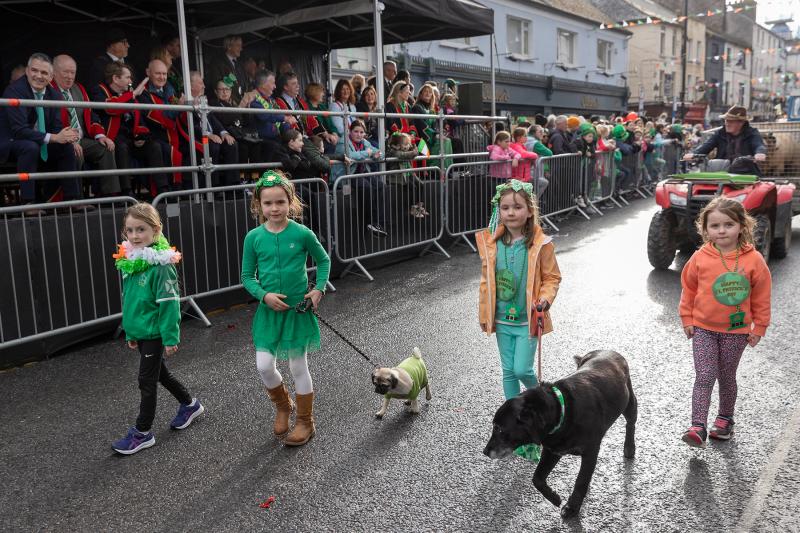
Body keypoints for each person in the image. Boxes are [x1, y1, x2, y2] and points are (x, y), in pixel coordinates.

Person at [240, 170, 331, 447]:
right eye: (268, 203)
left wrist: (318, 289)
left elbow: (324, 260)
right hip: (269, 314)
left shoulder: (302, 233)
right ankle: (283, 406)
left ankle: (306, 421)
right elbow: (246, 276)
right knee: (264, 366)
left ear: (290, 202)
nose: (275, 208)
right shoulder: (253, 237)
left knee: (297, 365)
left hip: (297, 312)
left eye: (280, 202)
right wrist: (263, 295)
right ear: (258, 206)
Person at [476, 179, 562, 461]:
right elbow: (486, 282)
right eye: (505, 207)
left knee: (523, 368)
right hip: (502, 320)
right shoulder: (491, 243)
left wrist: (545, 300)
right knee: (508, 373)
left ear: (529, 211)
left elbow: (552, 277)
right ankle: (514, 432)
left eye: (517, 207)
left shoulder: (541, 243)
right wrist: (484, 314)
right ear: (498, 211)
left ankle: (544, 407)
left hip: (528, 319)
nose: (510, 212)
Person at [111, 202, 204, 455]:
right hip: (141, 331)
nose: (134, 236)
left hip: (155, 333)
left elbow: (169, 305)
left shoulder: (162, 265)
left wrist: (171, 337)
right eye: (129, 230)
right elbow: (131, 303)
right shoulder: (131, 260)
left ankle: (142, 433)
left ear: (156, 230)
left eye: (140, 229)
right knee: (159, 374)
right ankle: (190, 404)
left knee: (146, 380)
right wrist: (131, 332)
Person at [679, 197, 771, 448]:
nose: (721, 230)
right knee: (705, 375)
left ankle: (724, 418)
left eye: (728, 224)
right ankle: (697, 426)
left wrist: (759, 327)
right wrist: (687, 318)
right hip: (703, 329)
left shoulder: (754, 260)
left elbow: (762, 296)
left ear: (742, 226)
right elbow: (688, 289)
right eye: (715, 225)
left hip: (736, 331)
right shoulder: (700, 257)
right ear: (705, 229)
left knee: (726, 376)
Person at [1, 53, 82, 210]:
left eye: (44, 73)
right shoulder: (15, 91)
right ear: (27, 71)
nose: (38, 76)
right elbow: (19, 131)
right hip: (10, 143)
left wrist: (66, 135)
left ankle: (72, 200)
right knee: (29, 147)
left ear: (51, 77)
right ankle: (28, 203)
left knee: (67, 147)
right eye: (34, 70)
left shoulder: (54, 95)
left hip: (38, 142)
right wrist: (54, 137)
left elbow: (57, 127)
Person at [91, 61, 166, 197]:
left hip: (131, 138)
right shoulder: (100, 90)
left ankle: (162, 190)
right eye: (127, 77)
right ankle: (126, 191)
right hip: (112, 139)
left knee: (154, 146)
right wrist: (133, 94)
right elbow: (110, 108)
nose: (131, 81)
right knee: (122, 147)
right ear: (115, 78)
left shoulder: (129, 94)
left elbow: (139, 119)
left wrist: (141, 137)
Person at [51, 54, 120, 198]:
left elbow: (91, 114)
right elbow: (51, 122)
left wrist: (101, 135)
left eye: (73, 73)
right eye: (66, 72)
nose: (70, 77)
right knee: (75, 152)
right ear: (54, 72)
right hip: (60, 140)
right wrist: (70, 140)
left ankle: (109, 196)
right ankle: (76, 199)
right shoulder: (48, 91)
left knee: (106, 148)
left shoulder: (79, 89)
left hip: (82, 139)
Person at [178, 72, 239, 187]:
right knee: (212, 145)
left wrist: (224, 133)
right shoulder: (183, 100)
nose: (204, 86)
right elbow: (190, 125)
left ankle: (233, 186)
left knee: (231, 144)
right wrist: (208, 134)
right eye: (201, 83)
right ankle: (213, 186)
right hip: (196, 139)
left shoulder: (202, 99)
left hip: (209, 136)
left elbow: (213, 119)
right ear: (190, 85)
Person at [331, 120, 386, 236]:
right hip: (347, 175)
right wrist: (368, 153)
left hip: (361, 173)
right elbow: (350, 156)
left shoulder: (364, 142)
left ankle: (379, 222)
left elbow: (379, 153)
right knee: (367, 187)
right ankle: (369, 222)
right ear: (350, 132)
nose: (359, 135)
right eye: (356, 131)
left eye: (361, 132)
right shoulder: (343, 142)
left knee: (381, 185)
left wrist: (377, 155)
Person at [139, 59, 184, 191]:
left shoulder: (169, 90)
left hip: (172, 134)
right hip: (154, 136)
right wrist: (178, 108)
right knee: (165, 150)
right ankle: (167, 190)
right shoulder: (143, 93)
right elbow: (157, 117)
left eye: (164, 74)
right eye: (158, 73)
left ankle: (185, 189)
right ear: (148, 72)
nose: (162, 77)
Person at [683, 106, 767, 174]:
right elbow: (707, 145)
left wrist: (760, 153)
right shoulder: (720, 133)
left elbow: (758, 144)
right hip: (722, 172)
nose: (727, 123)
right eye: (726, 120)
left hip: (745, 172)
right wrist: (694, 154)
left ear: (741, 123)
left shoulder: (752, 133)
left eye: (731, 121)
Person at [274, 72, 331, 142]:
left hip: (306, 137)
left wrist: (325, 134)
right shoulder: (278, 103)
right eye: (293, 84)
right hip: (293, 140)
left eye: (297, 83)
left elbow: (311, 119)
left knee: (328, 144)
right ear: (285, 87)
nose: (298, 86)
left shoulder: (300, 101)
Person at [250, 70, 288, 161]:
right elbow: (265, 116)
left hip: (276, 137)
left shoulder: (271, 100)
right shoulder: (253, 98)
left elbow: (280, 117)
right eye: (273, 83)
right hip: (262, 140)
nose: (275, 86)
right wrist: (285, 118)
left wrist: (289, 132)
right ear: (263, 84)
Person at [205, 35, 247, 104]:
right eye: (238, 46)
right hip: (227, 104)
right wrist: (234, 101)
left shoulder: (240, 64)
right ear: (229, 46)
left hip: (243, 104)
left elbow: (246, 83)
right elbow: (217, 84)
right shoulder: (217, 62)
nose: (241, 49)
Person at [329, 79, 357, 152]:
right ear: (338, 91)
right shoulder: (334, 106)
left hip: (354, 136)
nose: (346, 91)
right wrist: (353, 134)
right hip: (343, 138)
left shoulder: (352, 106)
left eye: (347, 89)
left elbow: (355, 124)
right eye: (343, 89)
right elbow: (339, 128)